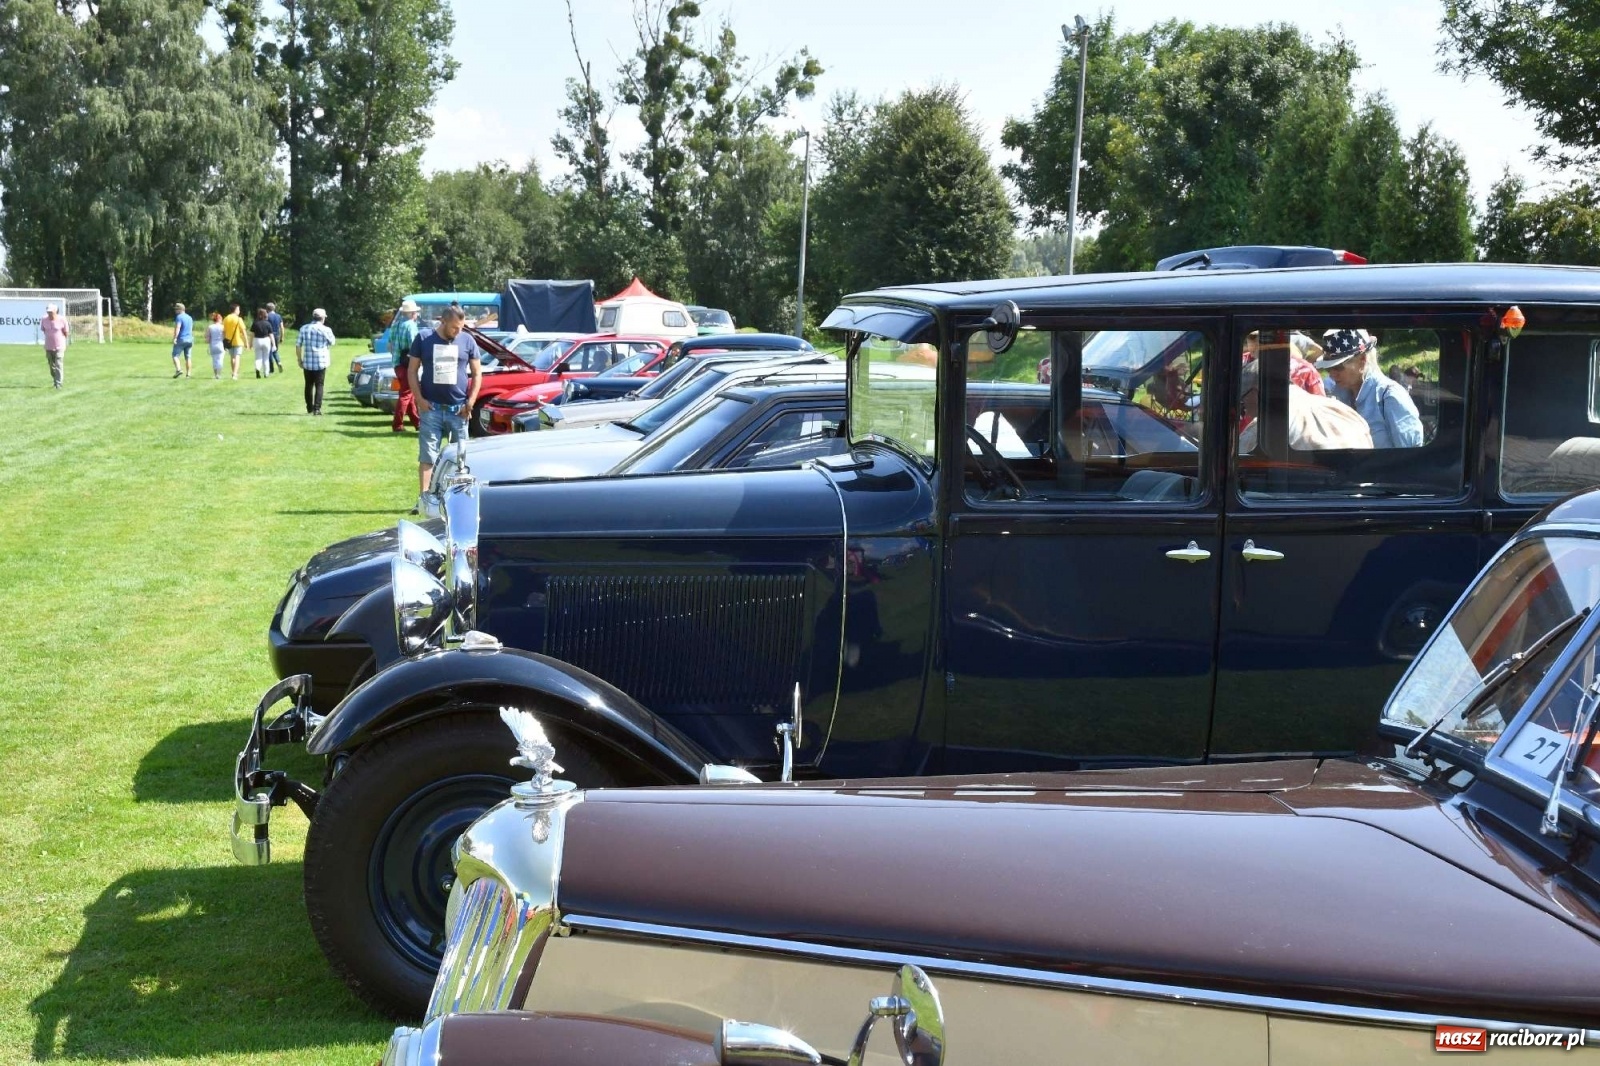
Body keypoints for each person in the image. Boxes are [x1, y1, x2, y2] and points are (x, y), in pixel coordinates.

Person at [408, 304, 482, 504]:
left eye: (461, 327)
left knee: (461, 458)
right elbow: (411, 371)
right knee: (427, 456)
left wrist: (470, 403)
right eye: (454, 328)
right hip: (430, 409)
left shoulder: (468, 340)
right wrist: (420, 400)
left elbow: (477, 374)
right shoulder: (424, 338)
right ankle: (424, 499)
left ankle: (461, 499)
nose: (458, 332)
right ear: (443, 321)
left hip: (459, 410)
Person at [1237, 357, 1373, 453]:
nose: (1246, 412)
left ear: (1255, 393)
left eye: (1243, 404)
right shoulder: (1346, 412)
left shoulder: (1263, 428)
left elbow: (1237, 471)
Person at [1316, 329, 1424, 448]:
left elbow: (1411, 455)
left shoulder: (1390, 396)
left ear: (1362, 361)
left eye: (1338, 367)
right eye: (1328, 368)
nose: (1332, 374)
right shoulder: (1336, 394)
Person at [388, 299, 422, 432]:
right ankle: (397, 424)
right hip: (408, 365)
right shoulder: (411, 326)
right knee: (406, 394)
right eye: (416, 312)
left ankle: (417, 423)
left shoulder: (395, 325)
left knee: (409, 393)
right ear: (412, 313)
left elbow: (390, 344)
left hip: (397, 363)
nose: (417, 315)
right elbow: (415, 346)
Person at [296, 307, 336, 415]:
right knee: (319, 385)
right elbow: (332, 342)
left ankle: (309, 407)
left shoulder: (304, 328)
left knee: (308, 385)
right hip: (321, 362)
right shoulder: (326, 329)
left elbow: (298, 345)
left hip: (308, 361)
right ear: (322, 318)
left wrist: (299, 359)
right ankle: (317, 408)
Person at [40, 303, 69, 389]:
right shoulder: (44, 319)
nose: (49, 314)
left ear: (55, 311)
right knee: (51, 366)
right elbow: (44, 330)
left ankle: (58, 383)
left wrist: (63, 342)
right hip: (48, 346)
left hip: (60, 346)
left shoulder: (62, 319)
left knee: (59, 364)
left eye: (51, 312)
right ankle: (55, 379)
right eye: (48, 312)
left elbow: (66, 332)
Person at [222, 303, 248, 379]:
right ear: (235, 310)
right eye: (238, 309)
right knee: (237, 357)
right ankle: (235, 374)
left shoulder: (226, 318)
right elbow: (243, 331)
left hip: (229, 341)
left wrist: (224, 340)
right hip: (238, 341)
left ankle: (233, 372)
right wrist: (246, 342)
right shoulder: (238, 319)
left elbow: (224, 331)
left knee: (232, 357)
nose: (239, 311)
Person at [171, 303, 194, 378]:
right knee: (188, 357)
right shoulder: (190, 317)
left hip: (181, 339)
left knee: (175, 355)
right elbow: (190, 329)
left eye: (176, 309)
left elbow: (178, 327)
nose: (175, 311)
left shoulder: (179, 317)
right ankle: (188, 374)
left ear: (180, 309)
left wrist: (175, 338)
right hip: (190, 339)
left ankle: (178, 370)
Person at [250, 308, 275, 377]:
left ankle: (257, 369)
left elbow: (252, 335)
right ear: (265, 315)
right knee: (266, 358)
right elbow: (271, 335)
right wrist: (274, 344)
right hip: (266, 340)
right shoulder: (268, 323)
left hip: (257, 340)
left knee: (258, 357)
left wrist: (250, 344)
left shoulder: (255, 323)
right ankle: (266, 373)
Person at [206, 312, 226, 379]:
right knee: (220, 360)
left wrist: (208, 344)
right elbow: (224, 336)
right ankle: (219, 374)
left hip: (213, 345)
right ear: (219, 319)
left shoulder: (210, 327)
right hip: (220, 344)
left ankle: (215, 374)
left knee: (214, 360)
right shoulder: (222, 327)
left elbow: (207, 338)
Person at [266, 302, 285, 374]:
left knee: (269, 352)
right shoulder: (278, 316)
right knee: (275, 350)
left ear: (267, 309)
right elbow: (282, 327)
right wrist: (282, 337)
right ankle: (279, 362)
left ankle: (271, 369)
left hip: (269, 335)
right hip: (276, 335)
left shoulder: (267, 316)